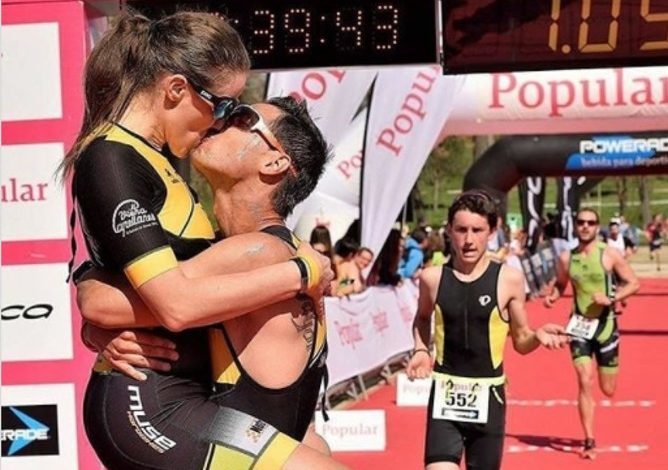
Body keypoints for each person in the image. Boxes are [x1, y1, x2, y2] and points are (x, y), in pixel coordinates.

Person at [64, 11, 334, 469]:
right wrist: (301, 272)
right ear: (175, 90)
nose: (220, 121)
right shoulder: (117, 156)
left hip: (178, 406)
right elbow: (170, 303)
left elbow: (124, 299)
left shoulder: (254, 244)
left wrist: (97, 307)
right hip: (150, 408)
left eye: (238, 115)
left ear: (273, 164)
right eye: (224, 106)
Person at [406, 190, 569, 470]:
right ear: (449, 231)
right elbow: (422, 318)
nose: (469, 240)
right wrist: (421, 350)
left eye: (477, 230)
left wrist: (538, 337)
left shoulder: (509, 280)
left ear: (492, 231)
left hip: (489, 399)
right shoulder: (432, 278)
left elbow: (520, 340)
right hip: (445, 397)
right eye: (461, 230)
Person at [545, 208, 639, 459]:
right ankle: (589, 440)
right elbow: (562, 282)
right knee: (584, 378)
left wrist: (611, 298)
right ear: (575, 226)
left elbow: (633, 283)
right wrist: (554, 295)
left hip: (606, 326)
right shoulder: (566, 258)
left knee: (608, 388)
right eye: (581, 222)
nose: (585, 226)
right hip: (579, 326)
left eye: (591, 222)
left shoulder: (609, 254)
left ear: (598, 227)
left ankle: (604, 367)